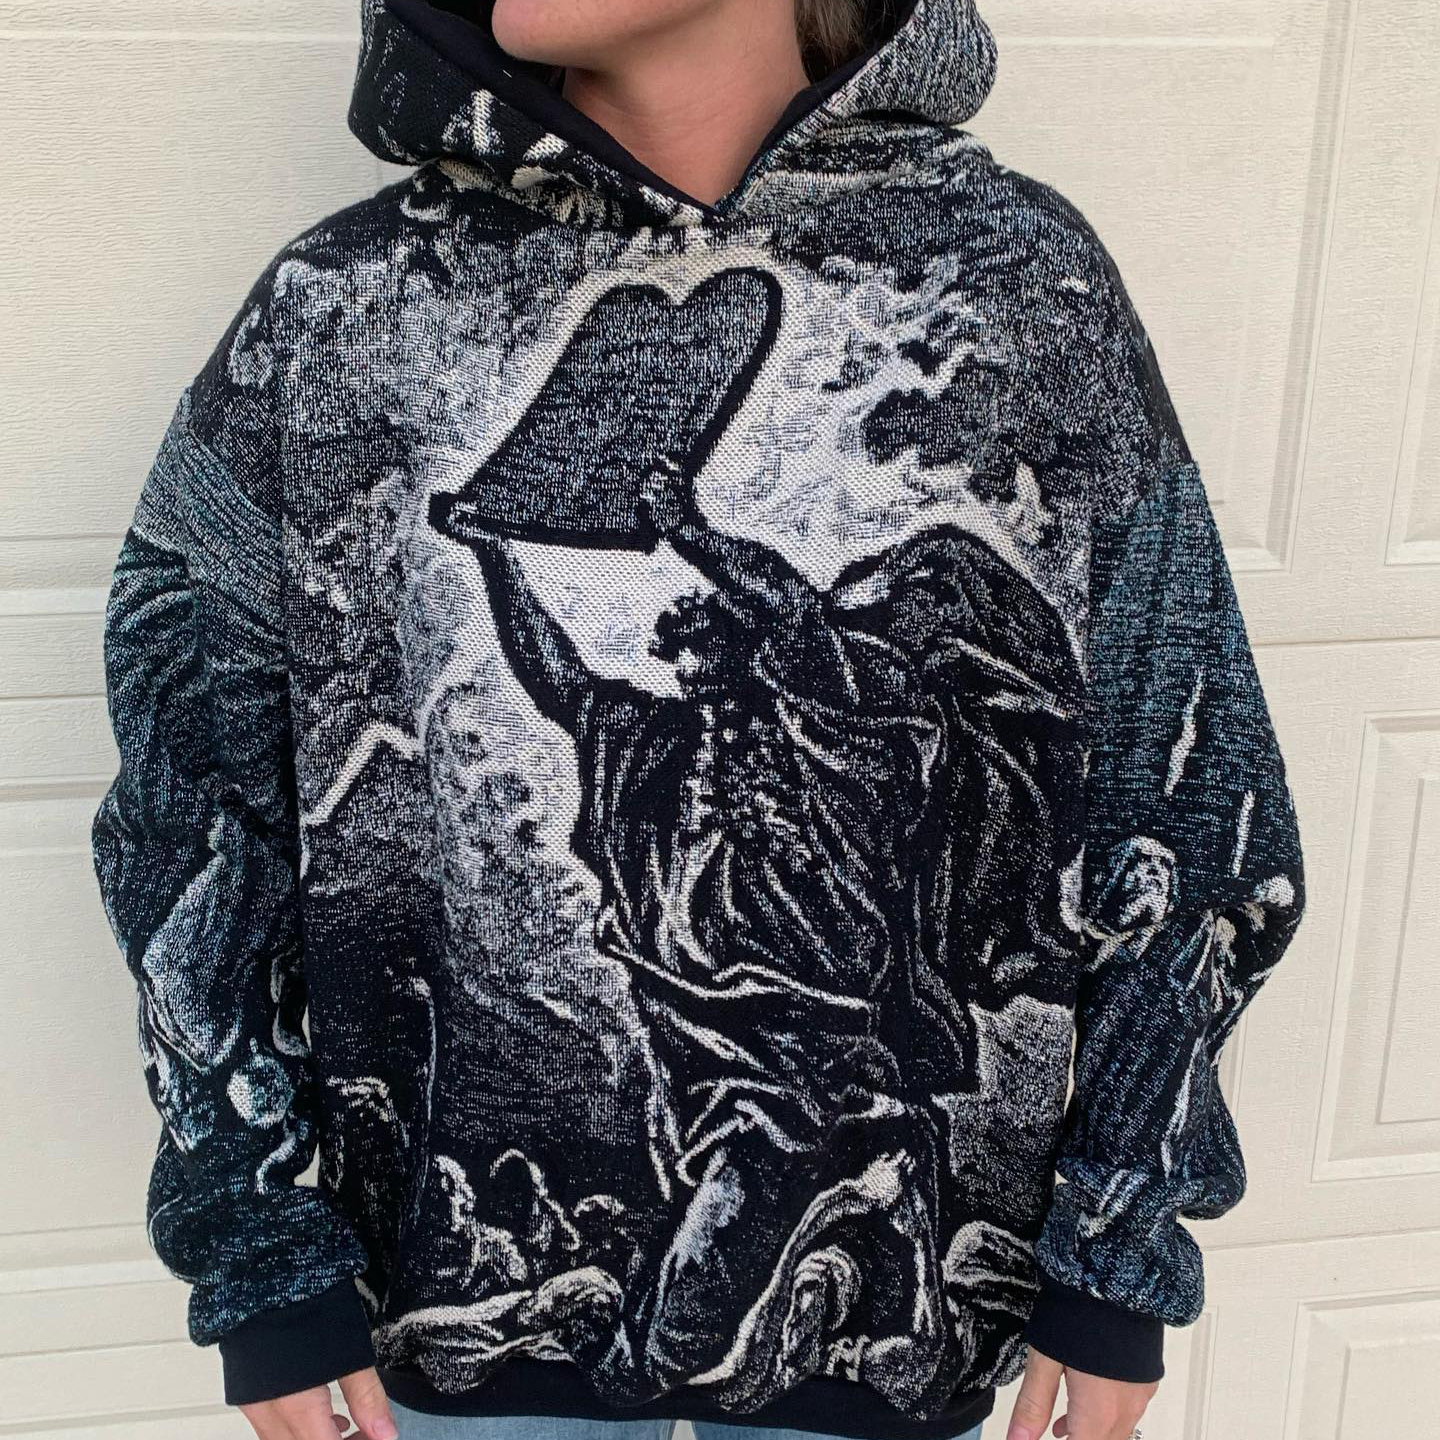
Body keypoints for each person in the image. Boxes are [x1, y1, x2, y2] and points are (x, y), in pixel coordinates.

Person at [91, 3, 1308, 1440]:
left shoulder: (1023, 289)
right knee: (670, 1314)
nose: (679, 638)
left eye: (698, 624)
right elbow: (192, 809)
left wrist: (1117, 1248)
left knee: (753, 1273)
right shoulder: (340, 310)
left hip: (872, 1258)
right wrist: (259, 1250)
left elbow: (1189, 785)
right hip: (461, 1349)